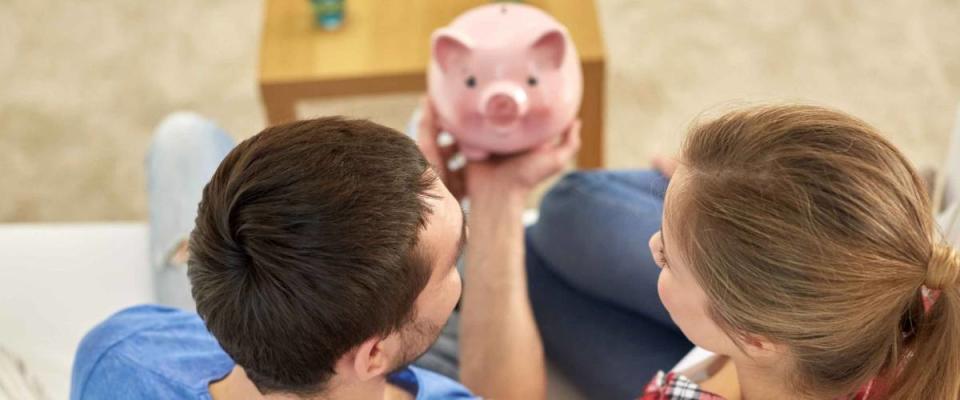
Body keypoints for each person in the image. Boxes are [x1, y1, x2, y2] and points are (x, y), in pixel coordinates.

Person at [70, 111, 580, 400]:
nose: (464, 236)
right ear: (374, 354)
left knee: (182, 137)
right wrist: (498, 203)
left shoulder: (123, 349)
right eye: (454, 261)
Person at [527, 105, 960, 399]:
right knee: (564, 219)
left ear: (755, 337)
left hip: (712, 363)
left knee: (534, 258)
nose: (652, 244)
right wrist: (717, 190)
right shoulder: (908, 290)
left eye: (667, 261)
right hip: (765, 359)